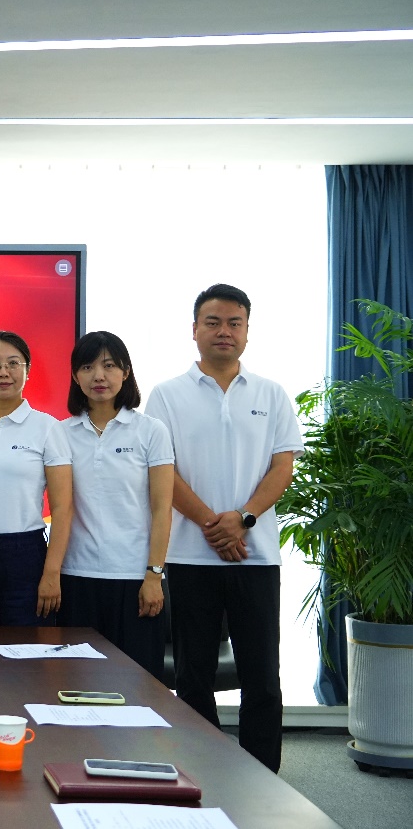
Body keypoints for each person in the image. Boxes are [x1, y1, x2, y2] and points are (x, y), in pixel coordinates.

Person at [145, 284, 302, 772]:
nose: (224, 331)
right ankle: (203, 772)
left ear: (248, 331)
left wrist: (244, 519)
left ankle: (262, 778)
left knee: (263, 677)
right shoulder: (166, 395)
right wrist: (214, 525)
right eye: (213, 322)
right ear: (194, 330)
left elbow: (282, 467)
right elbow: (164, 472)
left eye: (235, 323)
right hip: (190, 557)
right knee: (193, 677)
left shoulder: (271, 394)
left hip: (257, 557)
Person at [57, 331, 174, 680]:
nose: (99, 376)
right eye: (88, 367)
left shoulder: (150, 431)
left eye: (109, 366)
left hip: (134, 578)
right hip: (76, 577)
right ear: (75, 376)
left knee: (138, 686)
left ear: (125, 372)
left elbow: (162, 508)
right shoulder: (60, 433)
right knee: (77, 683)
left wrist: (154, 575)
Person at [0, 331, 73, 626]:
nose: (3, 372)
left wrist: (52, 572)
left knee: (28, 647)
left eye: (13, 363)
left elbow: (62, 508)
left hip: (25, 555)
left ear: (27, 371)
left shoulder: (47, 428)